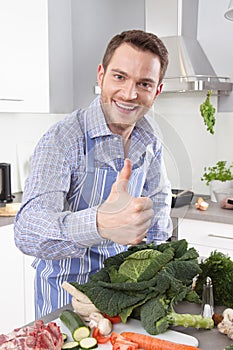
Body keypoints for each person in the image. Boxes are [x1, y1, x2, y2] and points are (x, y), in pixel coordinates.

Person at [14, 29, 172, 319]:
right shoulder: (62, 139)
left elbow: (159, 207)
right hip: (67, 301)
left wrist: (156, 272)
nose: (129, 94)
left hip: (124, 298)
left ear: (157, 90)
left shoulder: (150, 138)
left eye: (144, 83)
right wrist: (100, 223)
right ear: (101, 75)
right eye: (119, 77)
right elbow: (27, 231)